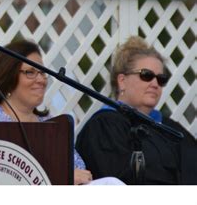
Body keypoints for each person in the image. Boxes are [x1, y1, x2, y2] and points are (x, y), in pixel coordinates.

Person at [0, 39, 123, 185]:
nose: (41, 80)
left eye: (42, 72)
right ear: (8, 76)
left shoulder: (50, 123)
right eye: (30, 72)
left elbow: (79, 168)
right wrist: (62, 177)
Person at [76, 36, 197, 185]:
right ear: (122, 81)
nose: (155, 83)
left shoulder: (171, 128)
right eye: (146, 75)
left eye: (161, 79)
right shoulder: (104, 126)